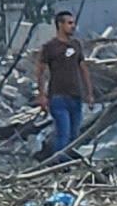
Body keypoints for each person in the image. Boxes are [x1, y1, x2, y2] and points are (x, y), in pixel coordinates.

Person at [39, 12, 91, 158]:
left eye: (73, 23)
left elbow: (83, 69)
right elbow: (40, 72)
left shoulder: (76, 45)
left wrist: (89, 92)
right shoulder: (50, 47)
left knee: (74, 135)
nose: (73, 26)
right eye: (69, 23)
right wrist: (41, 95)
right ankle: (59, 166)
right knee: (63, 134)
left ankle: (70, 165)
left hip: (76, 96)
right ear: (60, 25)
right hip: (58, 97)